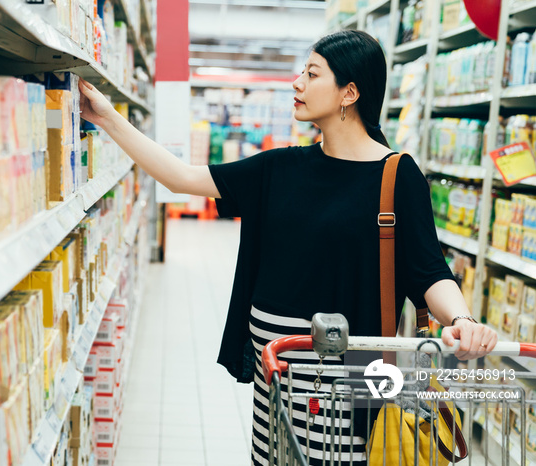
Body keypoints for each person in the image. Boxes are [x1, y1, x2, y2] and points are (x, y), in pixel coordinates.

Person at [79, 29, 498, 466]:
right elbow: (182, 177)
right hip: (276, 371)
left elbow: (428, 270)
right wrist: (108, 118)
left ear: (349, 93)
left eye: (311, 74)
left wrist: (463, 319)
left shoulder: (397, 176)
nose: (296, 83)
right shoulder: (280, 167)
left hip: (352, 376)